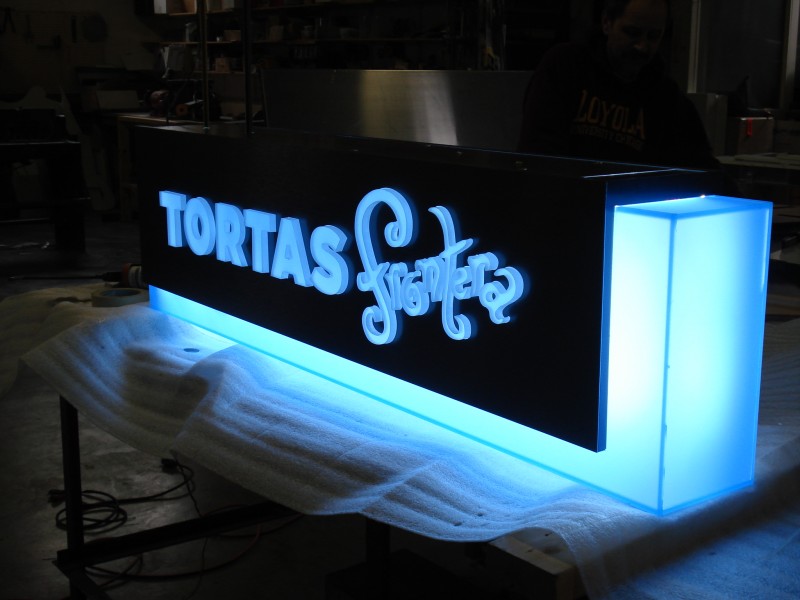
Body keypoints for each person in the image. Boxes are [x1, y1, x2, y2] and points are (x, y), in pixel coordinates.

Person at [517, 0, 720, 170]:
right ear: (607, 22)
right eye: (632, 32)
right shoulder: (566, 66)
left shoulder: (666, 97)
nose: (642, 46)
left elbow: (700, 163)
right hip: (565, 198)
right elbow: (539, 154)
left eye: (653, 36)